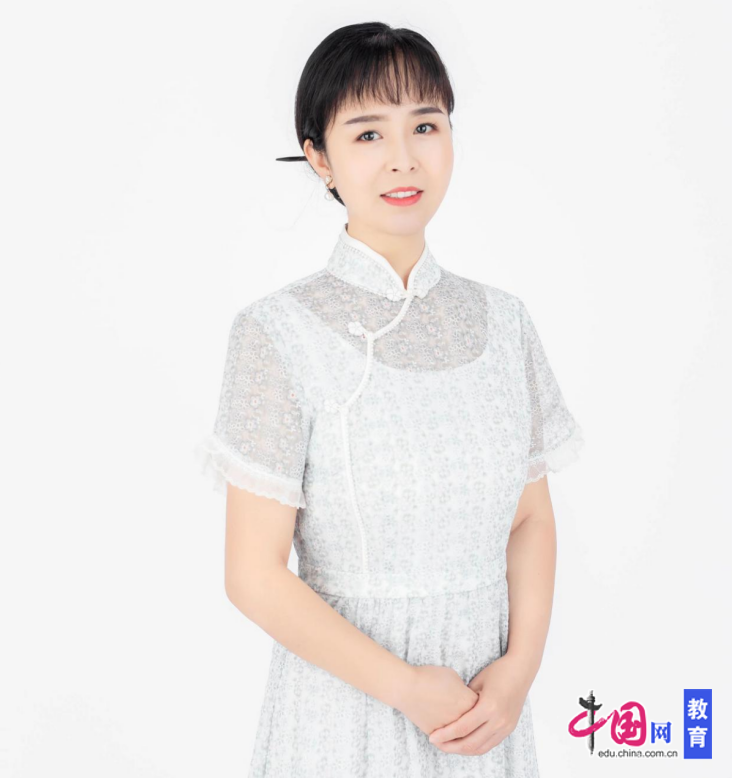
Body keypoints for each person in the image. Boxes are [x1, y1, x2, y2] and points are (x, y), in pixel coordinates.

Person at [194, 21, 584, 778]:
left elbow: (530, 517)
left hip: (484, 715)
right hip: (343, 717)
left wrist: (519, 670)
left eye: (425, 126)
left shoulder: (502, 323)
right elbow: (253, 573)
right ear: (320, 157)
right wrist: (405, 687)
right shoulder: (279, 333)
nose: (404, 157)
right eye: (368, 133)